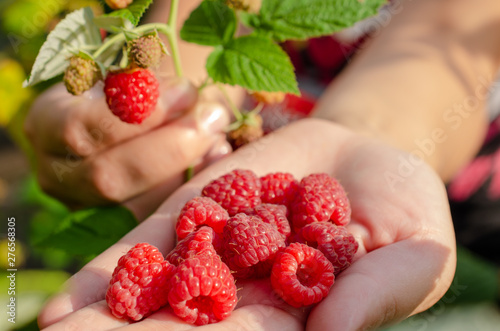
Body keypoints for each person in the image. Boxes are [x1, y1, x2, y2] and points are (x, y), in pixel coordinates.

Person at [28, 0, 500, 329]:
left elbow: (448, 34)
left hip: (456, 150)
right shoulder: (239, 223)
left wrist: (367, 134)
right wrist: (170, 97)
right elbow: (205, 17)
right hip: (251, 147)